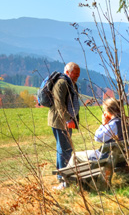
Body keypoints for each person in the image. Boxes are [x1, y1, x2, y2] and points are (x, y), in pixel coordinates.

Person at [49, 62, 80, 190]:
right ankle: (63, 179)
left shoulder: (72, 83)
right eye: (75, 73)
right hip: (59, 121)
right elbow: (59, 104)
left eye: (78, 73)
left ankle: (62, 177)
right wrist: (68, 120)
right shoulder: (61, 83)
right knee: (65, 150)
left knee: (63, 148)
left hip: (66, 121)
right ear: (68, 72)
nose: (77, 75)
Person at [68, 98, 124, 165]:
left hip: (107, 156)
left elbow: (98, 138)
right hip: (121, 155)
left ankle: (64, 175)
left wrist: (103, 124)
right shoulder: (124, 120)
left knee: (75, 156)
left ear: (108, 112)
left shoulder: (113, 124)